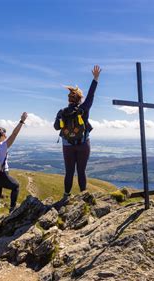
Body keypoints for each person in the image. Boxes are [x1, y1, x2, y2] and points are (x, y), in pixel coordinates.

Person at [54, 65, 101, 199]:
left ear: (69, 99)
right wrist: (95, 79)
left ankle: (66, 196)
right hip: (83, 143)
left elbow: (56, 127)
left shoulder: (62, 112)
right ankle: (83, 197)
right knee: (81, 171)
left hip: (67, 145)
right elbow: (91, 95)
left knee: (69, 172)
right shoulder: (84, 109)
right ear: (80, 99)